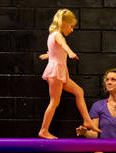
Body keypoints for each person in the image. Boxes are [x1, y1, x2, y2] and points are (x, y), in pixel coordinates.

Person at [38, 9, 100, 139]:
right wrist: (70, 52)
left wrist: (47, 55)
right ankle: (44, 130)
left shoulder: (53, 35)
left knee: (79, 91)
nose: (72, 30)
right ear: (63, 23)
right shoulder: (58, 35)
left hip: (60, 72)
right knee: (54, 101)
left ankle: (87, 120)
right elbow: (63, 45)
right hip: (56, 72)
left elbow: (55, 51)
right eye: (71, 26)